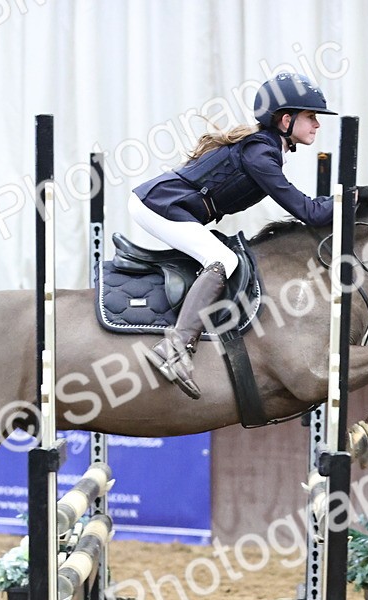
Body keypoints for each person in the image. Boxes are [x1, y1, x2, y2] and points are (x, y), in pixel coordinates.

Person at [130, 72, 341, 400]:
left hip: (167, 204)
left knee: (223, 257)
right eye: (310, 116)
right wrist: (351, 198)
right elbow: (309, 212)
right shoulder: (260, 154)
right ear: (286, 120)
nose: (317, 124)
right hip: (158, 204)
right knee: (223, 259)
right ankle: (175, 347)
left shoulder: (267, 148)